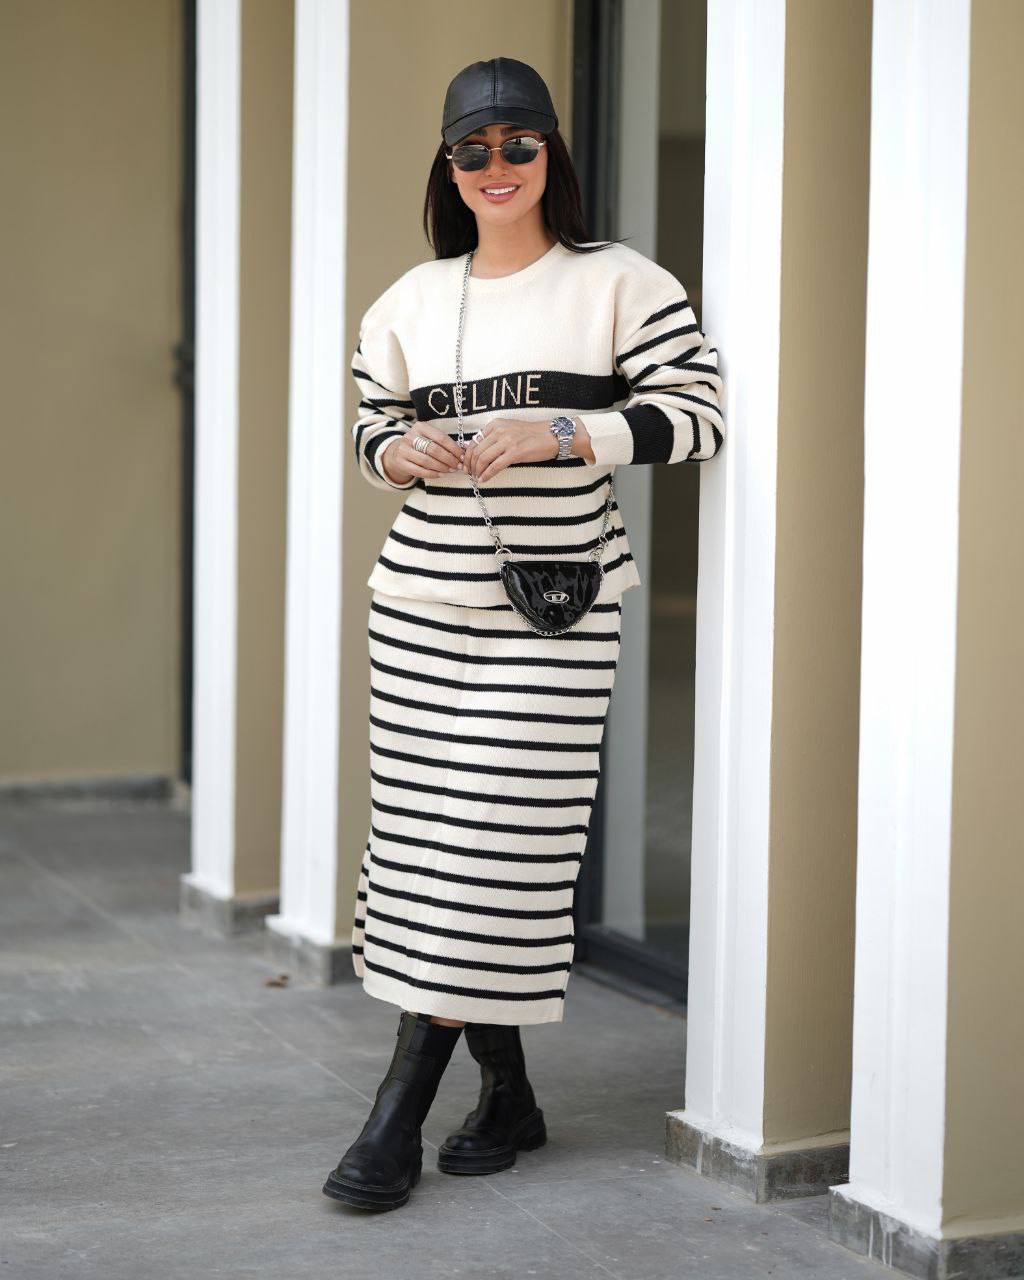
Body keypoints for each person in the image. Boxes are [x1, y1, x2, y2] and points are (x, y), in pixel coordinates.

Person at [323, 56, 725, 1212]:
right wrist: (398, 452)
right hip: (416, 606)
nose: (495, 166)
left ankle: (395, 1115)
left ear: (552, 153)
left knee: (490, 846)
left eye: (518, 144)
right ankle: (507, 1095)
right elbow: (369, 434)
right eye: (473, 149)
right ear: (447, 165)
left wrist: (561, 432)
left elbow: (696, 418)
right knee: (427, 850)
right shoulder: (406, 300)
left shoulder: (621, 282)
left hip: (555, 608)